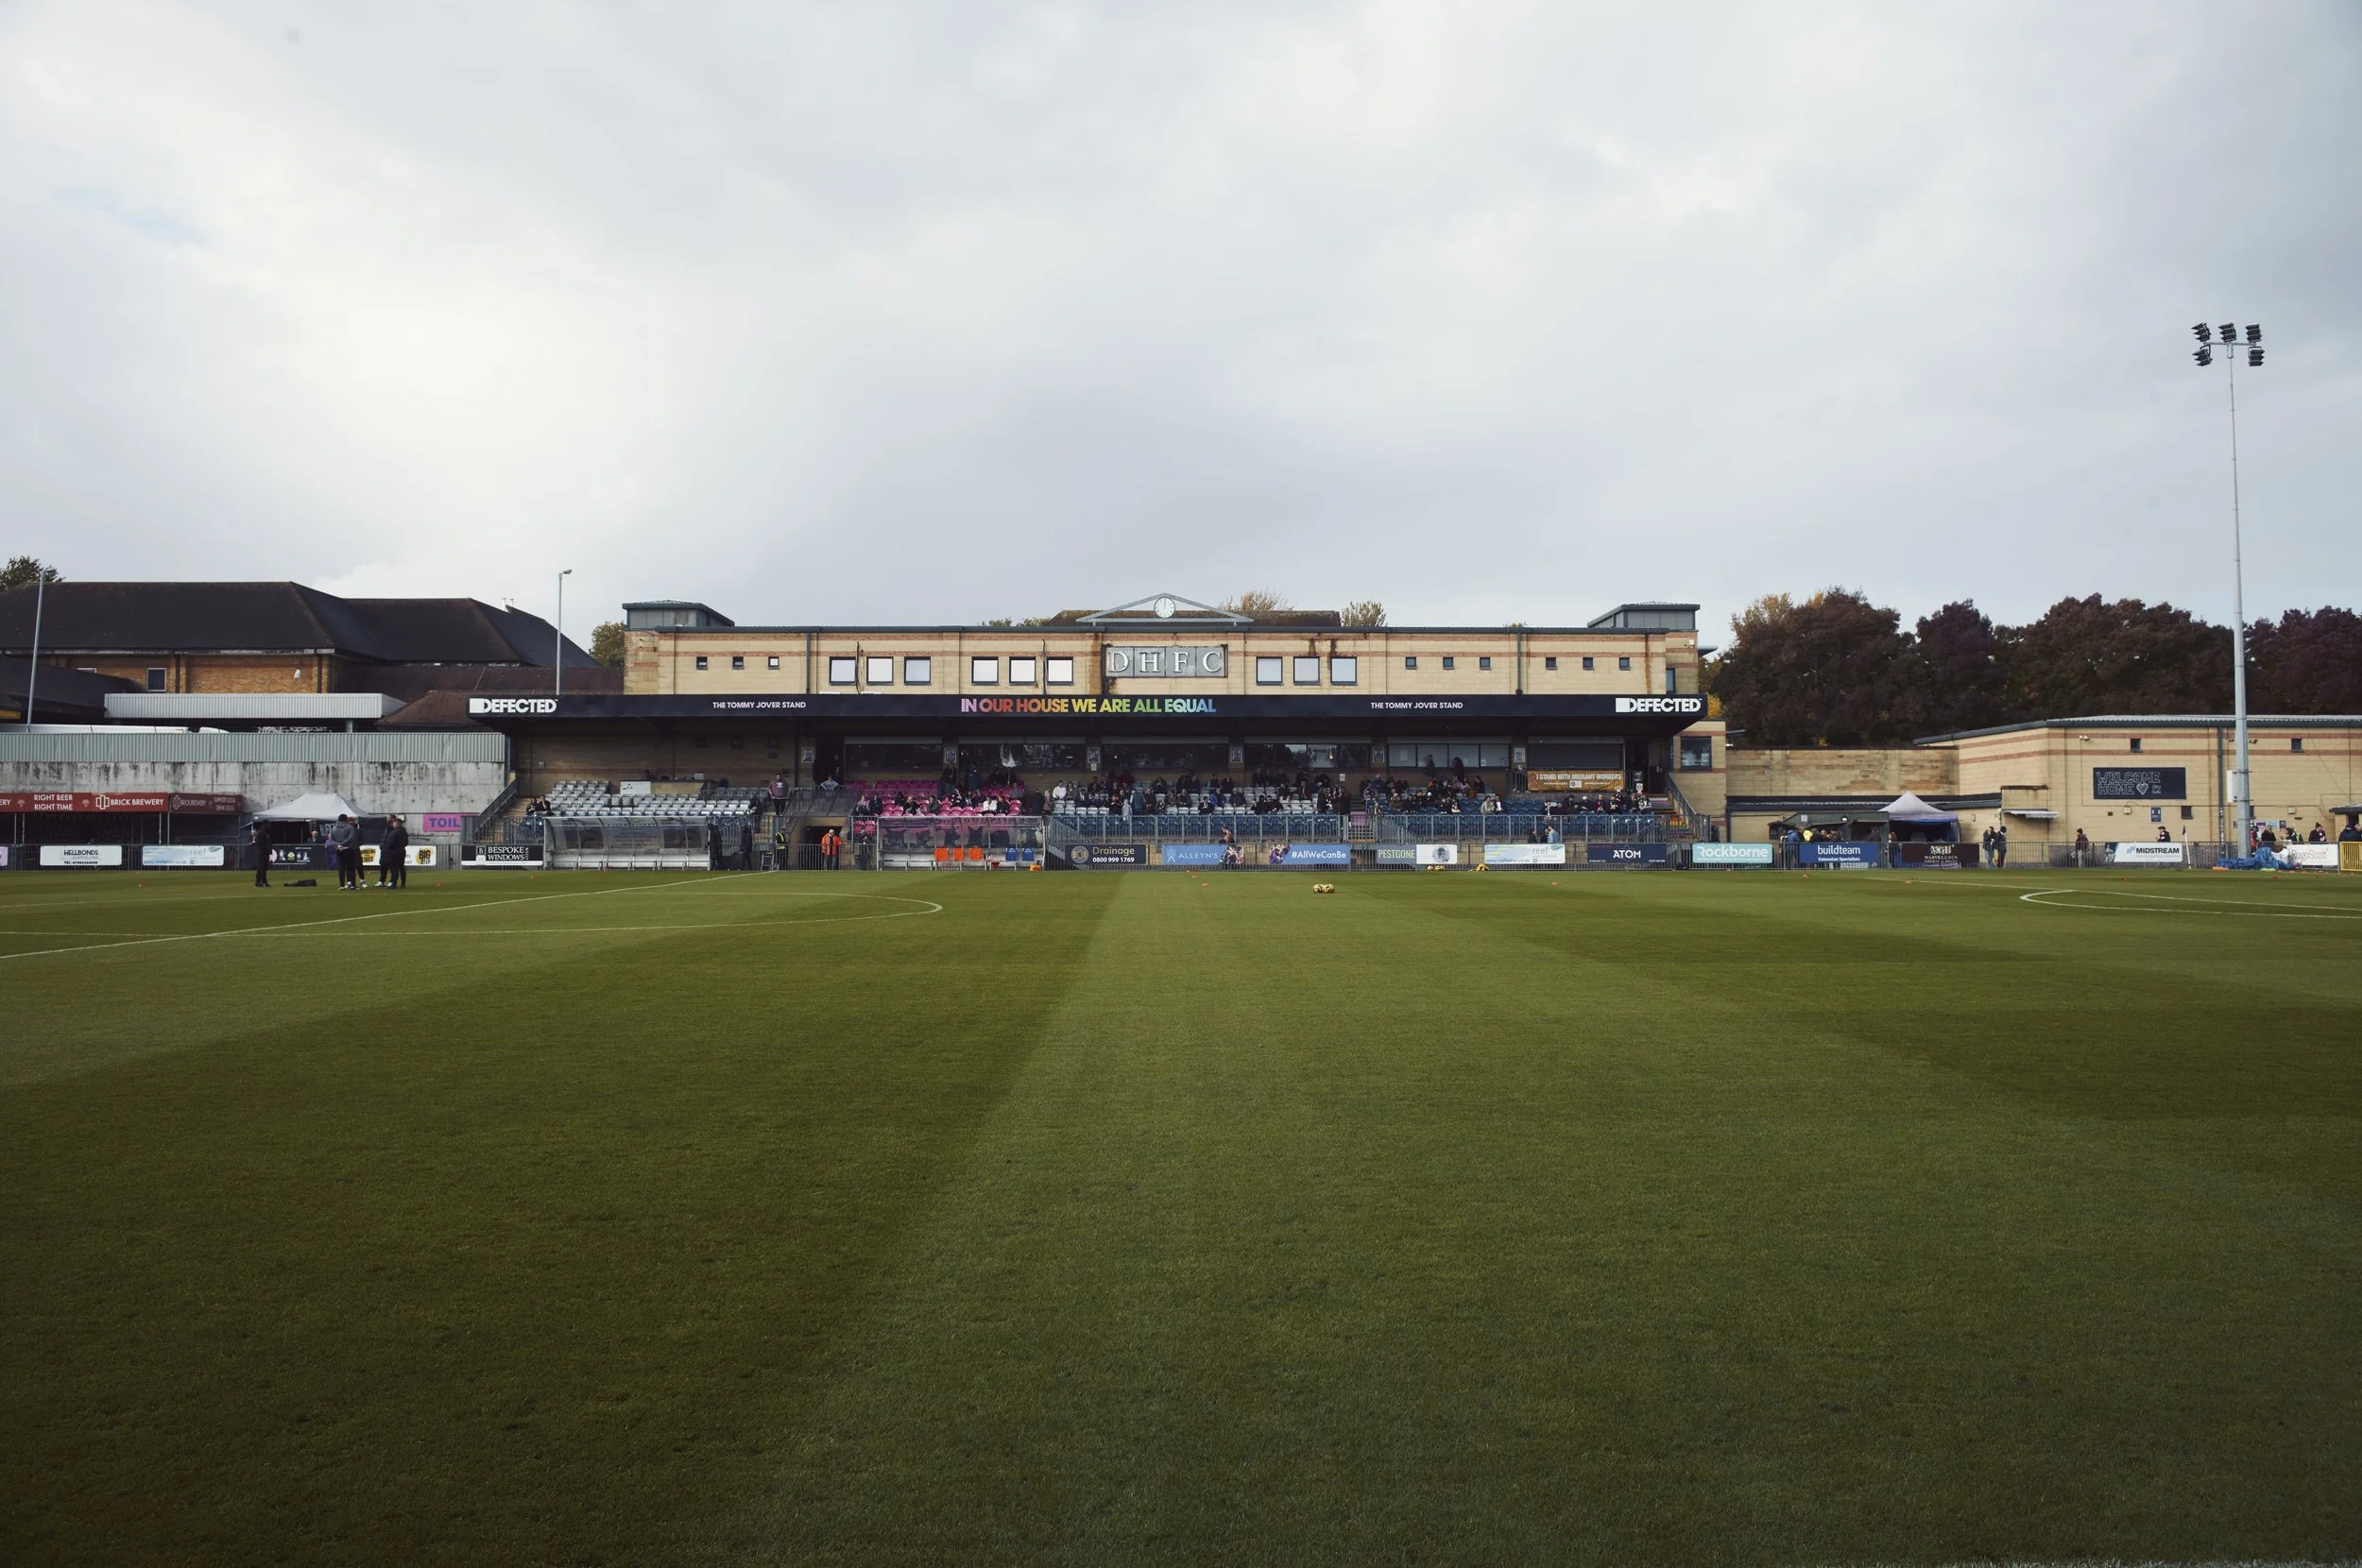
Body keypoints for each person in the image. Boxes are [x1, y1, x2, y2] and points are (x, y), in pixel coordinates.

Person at [331, 813, 361, 890]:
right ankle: (353, 885)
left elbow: (331, 840)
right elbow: (351, 837)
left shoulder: (334, 828)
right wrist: (342, 844)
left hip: (339, 850)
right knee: (351, 868)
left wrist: (338, 845)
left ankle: (341, 886)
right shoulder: (350, 827)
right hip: (348, 849)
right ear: (346, 819)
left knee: (341, 868)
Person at [381, 815, 409, 889]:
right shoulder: (404, 832)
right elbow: (406, 843)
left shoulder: (393, 832)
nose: (393, 824)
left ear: (396, 824)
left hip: (394, 852)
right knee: (402, 868)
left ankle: (394, 884)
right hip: (402, 851)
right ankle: (403, 884)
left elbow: (390, 844)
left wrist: (389, 849)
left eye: (393, 823)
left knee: (394, 868)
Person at [249, 818, 272, 888]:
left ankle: (260, 882)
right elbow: (260, 843)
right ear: (266, 824)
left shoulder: (263, 832)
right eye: (269, 824)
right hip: (262, 853)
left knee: (262, 868)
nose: (270, 825)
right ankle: (262, 882)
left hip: (263, 852)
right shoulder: (262, 832)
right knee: (262, 868)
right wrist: (264, 851)